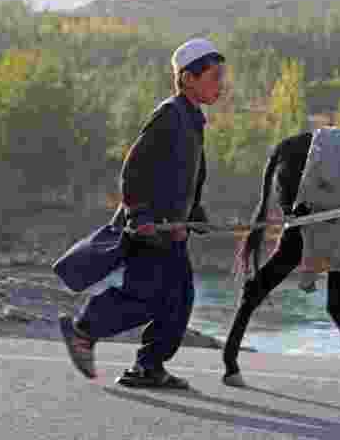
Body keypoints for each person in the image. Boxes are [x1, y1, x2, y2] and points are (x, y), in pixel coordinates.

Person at [59, 38, 225, 388]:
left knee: (178, 302)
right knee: (144, 298)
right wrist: (139, 215)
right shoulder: (169, 114)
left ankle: (149, 367)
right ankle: (83, 331)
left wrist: (195, 212)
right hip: (150, 230)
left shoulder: (193, 120)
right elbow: (133, 170)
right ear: (188, 78)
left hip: (172, 232)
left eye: (220, 77)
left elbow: (186, 177)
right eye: (213, 77)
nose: (220, 85)